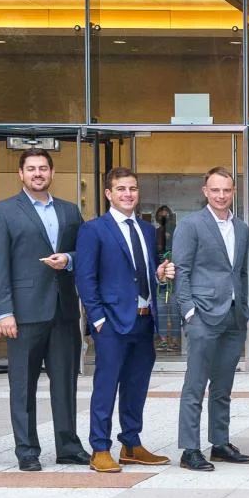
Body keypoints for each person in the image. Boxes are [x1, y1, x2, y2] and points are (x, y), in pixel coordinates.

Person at [0, 149, 89, 471]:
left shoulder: (70, 211)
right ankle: (27, 450)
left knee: (65, 383)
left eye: (43, 168)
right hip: (24, 313)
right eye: (31, 169)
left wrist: (68, 259)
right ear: (21, 174)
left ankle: (68, 446)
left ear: (52, 172)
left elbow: (85, 252)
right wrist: (3, 312)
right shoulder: (3, 212)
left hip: (63, 310)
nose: (37, 174)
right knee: (23, 384)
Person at [74, 167, 176, 473]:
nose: (128, 194)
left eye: (132, 188)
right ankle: (100, 448)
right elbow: (85, 278)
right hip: (112, 324)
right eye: (121, 189)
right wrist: (98, 319)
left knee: (136, 385)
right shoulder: (94, 230)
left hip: (144, 320)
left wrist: (160, 275)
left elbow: (147, 271)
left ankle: (131, 444)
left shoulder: (146, 230)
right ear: (108, 194)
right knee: (106, 386)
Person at [170, 167, 249, 472]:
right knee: (195, 384)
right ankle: (190, 449)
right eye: (215, 190)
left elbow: (241, 272)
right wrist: (189, 311)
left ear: (233, 192)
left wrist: (242, 307)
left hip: (233, 316)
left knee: (223, 385)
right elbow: (182, 271)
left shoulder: (242, 228)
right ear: (205, 191)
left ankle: (219, 443)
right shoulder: (191, 225)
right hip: (203, 314)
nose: (221, 196)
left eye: (227, 190)